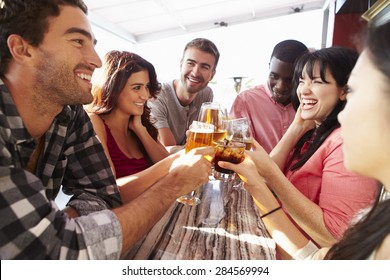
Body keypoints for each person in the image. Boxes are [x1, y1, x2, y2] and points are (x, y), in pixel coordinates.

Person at [0, 0, 213, 259]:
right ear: (22, 49)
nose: (96, 61)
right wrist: (174, 183)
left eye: (93, 45)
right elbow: (58, 255)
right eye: (78, 41)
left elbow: (104, 194)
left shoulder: (69, 114)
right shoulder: (89, 117)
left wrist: (64, 228)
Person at [220, 21, 390, 260]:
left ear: (343, 91)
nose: (303, 90)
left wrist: (271, 174)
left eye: (317, 81)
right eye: (301, 81)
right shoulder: (313, 132)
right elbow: (267, 178)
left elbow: (336, 237)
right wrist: (297, 126)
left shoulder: (341, 141)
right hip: (275, 239)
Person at [89, 50, 169, 181]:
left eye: (147, 87)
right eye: (137, 87)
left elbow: (171, 168)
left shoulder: (140, 124)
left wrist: (141, 131)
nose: (145, 95)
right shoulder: (95, 122)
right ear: (113, 88)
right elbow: (109, 189)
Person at [229, 40, 309, 153]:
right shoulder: (246, 101)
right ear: (269, 66)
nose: (280, 87)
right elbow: (235, 151)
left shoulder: (310, 103)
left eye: (289, 80)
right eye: (274, 76)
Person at [148, 38, 220, 146]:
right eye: (191, 63)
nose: (195, 72)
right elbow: (168, 149)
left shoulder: (206, 94)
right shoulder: (157, 95)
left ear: (212, 75)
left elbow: (206, 141)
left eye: (204, 67)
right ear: (181, 65)